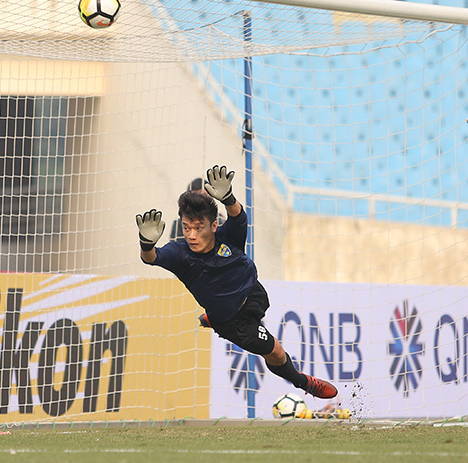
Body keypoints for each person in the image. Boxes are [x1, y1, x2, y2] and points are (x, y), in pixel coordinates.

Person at [135, 164, 338, 401]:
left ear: (213, 226)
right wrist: (146, 243)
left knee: (269, 339)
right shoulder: (180, 255)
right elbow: (151, 258)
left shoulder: (227, 236)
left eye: (198, 228)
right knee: (276, 352)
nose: (191, 235)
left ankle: (212, 316)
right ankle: (304, 382)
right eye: (186, 228)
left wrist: (228, 197)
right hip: (233, 322)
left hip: (254, 293)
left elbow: (238, 216)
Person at [169, 177, 224, 242]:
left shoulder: (220, 221)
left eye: (199, 228)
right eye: (186, 228)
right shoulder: (179, 224)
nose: (192, 236)